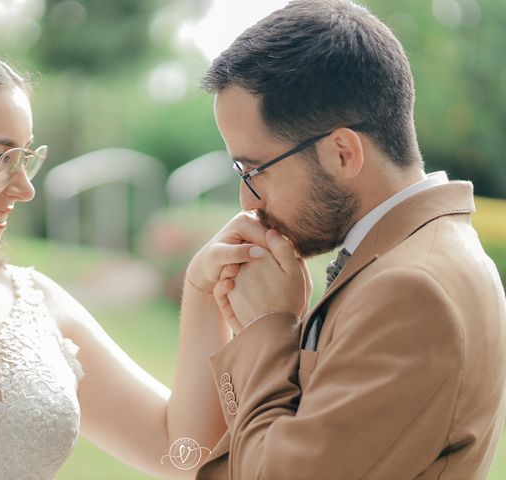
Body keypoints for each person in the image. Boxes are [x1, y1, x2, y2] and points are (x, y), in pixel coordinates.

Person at [0, 34, 264, 479]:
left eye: (26, 159)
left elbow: (185, 453)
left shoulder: (35, 304)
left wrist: (201, 291)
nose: (24, 188)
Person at [184, 0, 506, 479]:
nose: (247, 201)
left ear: (341, 152)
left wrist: (266, 330)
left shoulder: (411, 291)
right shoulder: (415, 257)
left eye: (253, 170)